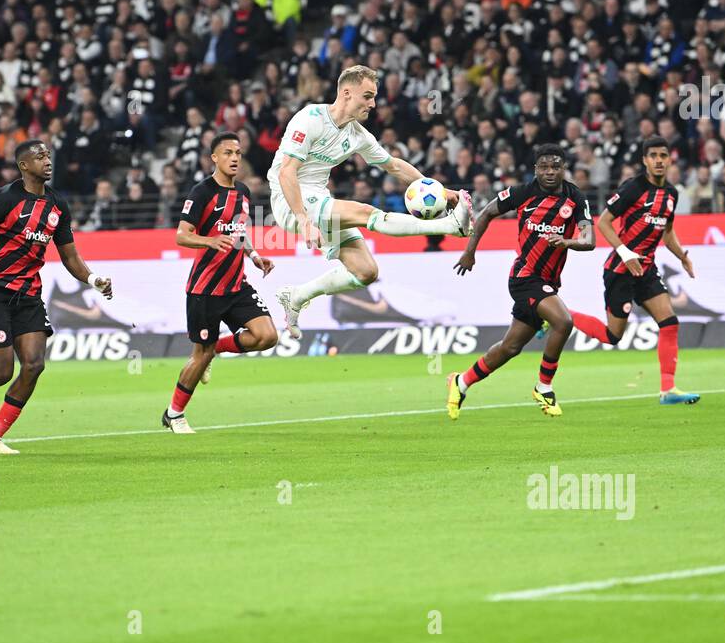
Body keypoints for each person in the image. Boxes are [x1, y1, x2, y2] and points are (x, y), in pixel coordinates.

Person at [0, 140, 114, 454]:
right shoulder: (6, 198)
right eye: (39, 156)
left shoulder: (58, 205)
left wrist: (93, 279)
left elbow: (70, 257)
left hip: (29, 295)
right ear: (23, 165)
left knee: (34, 365)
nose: (47, 161)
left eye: (48, 155)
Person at [271, 65, 473, 338]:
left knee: (366, 272)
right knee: (367, 213)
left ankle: (296, 296)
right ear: (346, 93)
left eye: (374, 97)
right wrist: (303, 220)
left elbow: (394, 166)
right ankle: (450, 227)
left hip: (318, 199)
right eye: (367, 96)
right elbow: (286, 172)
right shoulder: (310, 118)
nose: (373, 104)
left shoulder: (357, 135)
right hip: (289, 200)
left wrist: (440, 190)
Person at [448, 144, 594, 419]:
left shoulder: (576, 198)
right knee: (564, 321)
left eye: (556, 167)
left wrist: (568, 241)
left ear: (563, 169)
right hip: (525, 277)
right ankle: (544, 386)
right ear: (535, 169)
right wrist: (469, 251)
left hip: (549, 281)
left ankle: (462, 382)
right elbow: (488, 212)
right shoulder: (522, 193)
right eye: (544, 167)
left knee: (510, 347)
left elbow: (589, 241)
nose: (550, 172)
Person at [570, 136, 701, 405]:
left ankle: (668, 390)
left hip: (647, 269)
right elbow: (604, 222)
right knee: (613, 335)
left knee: (669, 323)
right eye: (653, 156)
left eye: (663, 156)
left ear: (669, 159)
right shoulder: (633, 188)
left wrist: (682, 257)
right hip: (620, 269)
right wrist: (625, 252)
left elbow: (667, 233)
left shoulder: (671, 194)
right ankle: (561, 315)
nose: (659, 161)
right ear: (644, 160)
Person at [164, 133, 278, 434]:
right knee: (199, 355)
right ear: (214, 157)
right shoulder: (202, 192)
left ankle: (216, 349)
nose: (235, 157)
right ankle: (174, 414)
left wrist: (253, 254)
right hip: (205, 289)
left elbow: (240, 230)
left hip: (236, 285)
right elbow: (181, 234)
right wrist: (209, 240)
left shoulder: (242, 192)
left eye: (238, 152)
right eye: (227, 152)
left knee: (267, 336)